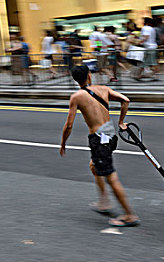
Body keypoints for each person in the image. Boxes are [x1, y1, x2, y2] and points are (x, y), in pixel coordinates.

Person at [60, 65, 139, 227]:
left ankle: (129, 215)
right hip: (110, 135)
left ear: (76, 80)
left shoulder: (77, 97)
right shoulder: (103, 89)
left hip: (98, 139)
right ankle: (104, 202)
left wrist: (63, 144)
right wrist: (121, 122)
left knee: (110, 176)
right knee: (94, 166)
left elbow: (69, 125)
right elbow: (125, 100)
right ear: (89, 76)